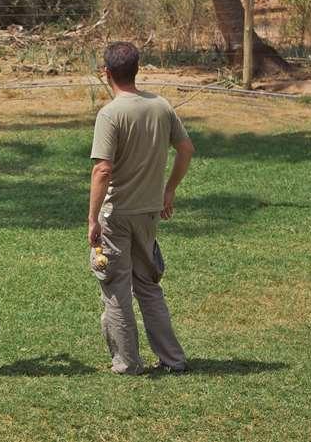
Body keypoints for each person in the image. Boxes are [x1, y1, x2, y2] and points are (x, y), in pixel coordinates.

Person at [88, 41, 195, 375]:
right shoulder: (161, 105)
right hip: (149, 211)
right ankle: (173, 359)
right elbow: (186, 149)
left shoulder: (110, 114)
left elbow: (102, 170)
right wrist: (169, 191)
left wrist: (92, 218)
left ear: (106, 73)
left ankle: (126, 362)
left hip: (117, 213)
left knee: (117, 288)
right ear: (137, 69)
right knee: (148, 286)